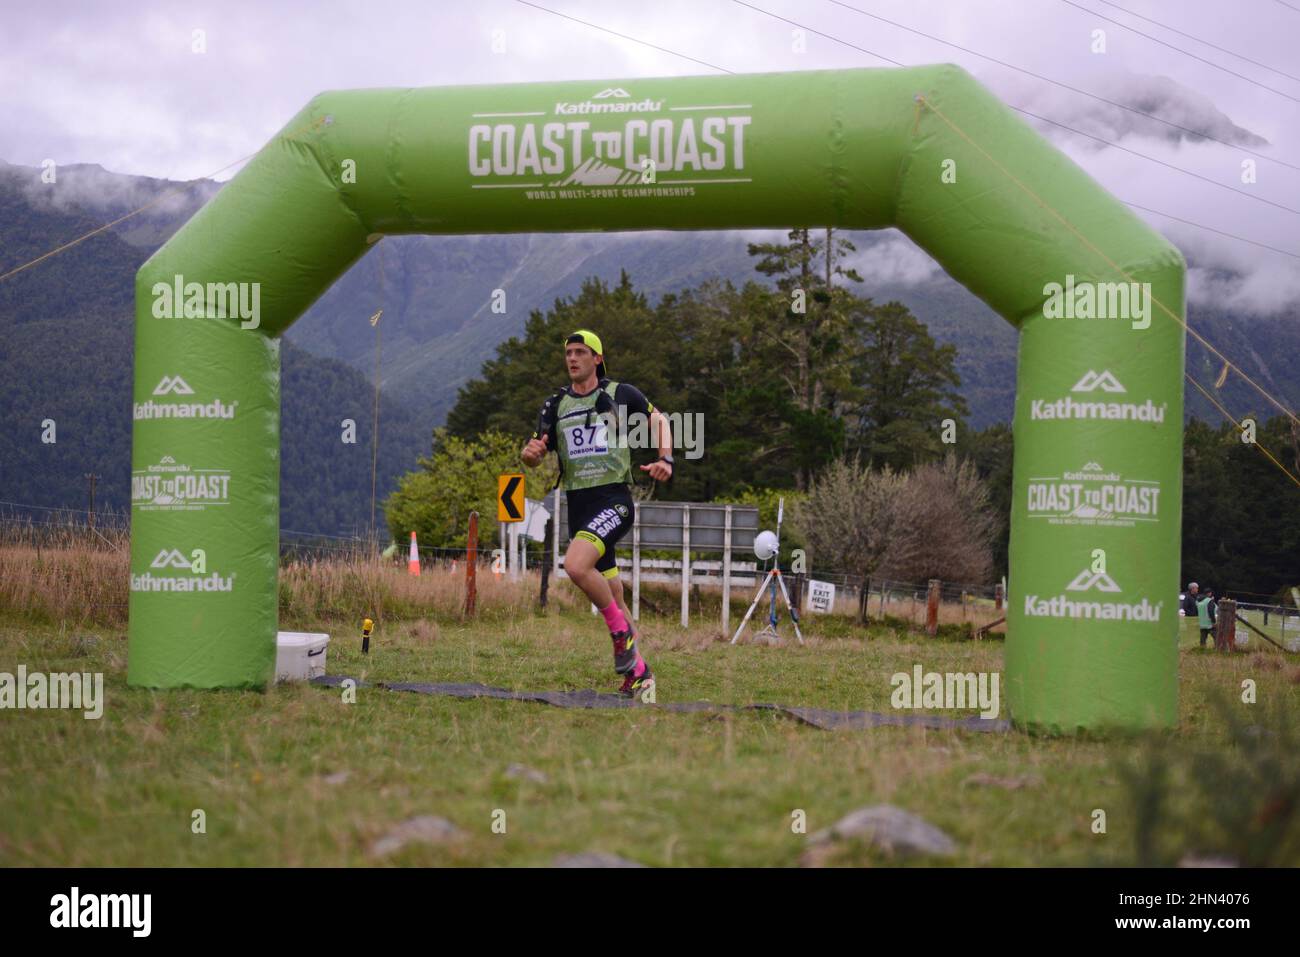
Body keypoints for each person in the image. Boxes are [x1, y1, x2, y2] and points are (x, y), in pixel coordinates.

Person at [520, 329, 674, 698]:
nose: (572, 358)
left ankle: (619, 635)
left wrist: (666, 456)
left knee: (575, 566)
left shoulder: (621, 394)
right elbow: (537, 449)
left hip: (614, 503)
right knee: (616, 598)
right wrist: (531, 456)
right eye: (568, 353)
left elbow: (660, 419)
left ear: (597, 359)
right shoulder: (555, 404)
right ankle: (640, 674)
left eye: (580, 352)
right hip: (580, 508)